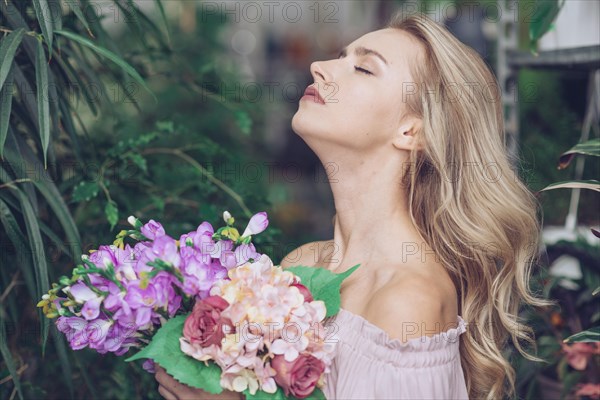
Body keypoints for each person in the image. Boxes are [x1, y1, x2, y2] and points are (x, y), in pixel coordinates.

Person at [155, 11, 552, 400]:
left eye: (364, 68)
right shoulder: (301, 267)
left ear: (411, 130)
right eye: (340, 56)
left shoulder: (408, 302)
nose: (317, 66)